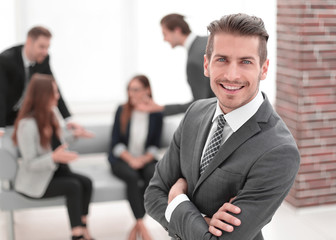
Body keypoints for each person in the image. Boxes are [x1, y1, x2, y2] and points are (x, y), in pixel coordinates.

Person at [144, 13, 301, 240]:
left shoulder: (279, 150)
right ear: (207, 64)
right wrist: (203, 223)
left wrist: (177, 201)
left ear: (264, 69)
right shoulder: (195, 113)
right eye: (222, 60)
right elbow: (153, 194)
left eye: (246, 62)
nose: (232, 75)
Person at [12, 73, 94, 240]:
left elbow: (57, 142)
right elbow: (30, 163)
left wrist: (75, 135)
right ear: (44, 95)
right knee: (74, 186)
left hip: (54, 172)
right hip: (36, 180)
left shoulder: (51, 114)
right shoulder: (26, 124)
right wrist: (54, 158)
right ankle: (76, 234)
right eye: (55, 92)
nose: (58, 96)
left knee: (86, 182)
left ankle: (84, 229)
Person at [0, 26, 82, 139]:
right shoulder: (6, 60)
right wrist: (0, 127)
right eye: (42, 47)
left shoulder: (43, 60)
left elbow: (53, 87)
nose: (45, 52)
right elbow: (1, 94)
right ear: (29, 42)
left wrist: (68, 119)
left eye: (47, 47)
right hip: (4, 115)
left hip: (21, 117)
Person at [108, 75, 163, 240]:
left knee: (151, 174)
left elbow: (155, 145)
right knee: (132, 177)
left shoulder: (155, 113)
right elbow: (115, 143)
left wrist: (143, 159)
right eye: (129, 89)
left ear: (147, 90)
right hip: (122, 159)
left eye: (136, 89)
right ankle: (142, 226)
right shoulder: (122, 110)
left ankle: (137, 226)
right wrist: (131, 159)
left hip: (144, 159)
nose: (131, 93)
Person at [138, 13, 215, 116]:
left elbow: (200, 104)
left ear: (177, 30)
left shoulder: (194, 60)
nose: (164, 39)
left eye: (165, 34)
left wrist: (161, 108)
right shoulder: (207, 40)